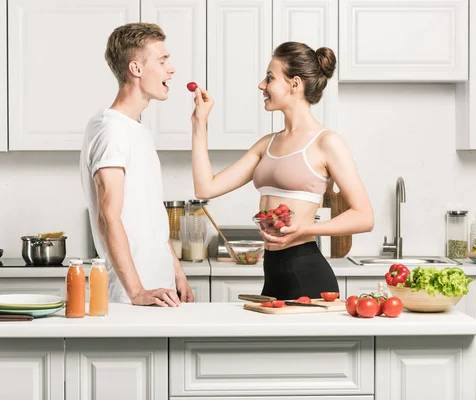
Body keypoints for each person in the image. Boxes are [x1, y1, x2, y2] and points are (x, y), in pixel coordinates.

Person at [190, 42, 374, 300]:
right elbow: (205, 188)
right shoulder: (268, 143)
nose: (261, 86)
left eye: (270, 78)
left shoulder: (326, 142)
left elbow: (364, 217)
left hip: (308, 273)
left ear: (294, 84)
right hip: (273, 272)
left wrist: (305, 230)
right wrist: (199, 123)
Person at [80, 22, 194, 307]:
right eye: (162, 60)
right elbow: (109, 217)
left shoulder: (136, 129)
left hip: (160, 290)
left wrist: (177, 272)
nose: (171, 69)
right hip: (129, 296)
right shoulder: (111, 130)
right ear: (136, 69)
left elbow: (151, 213)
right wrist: (136, 292)